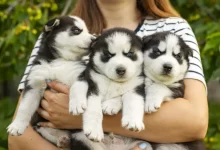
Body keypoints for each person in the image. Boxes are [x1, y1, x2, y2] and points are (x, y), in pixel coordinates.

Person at [8, 0, 208, 150]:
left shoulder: (172, 28)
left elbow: (195, 123)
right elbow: (19, 137)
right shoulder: (62, 31)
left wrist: (80, 119)